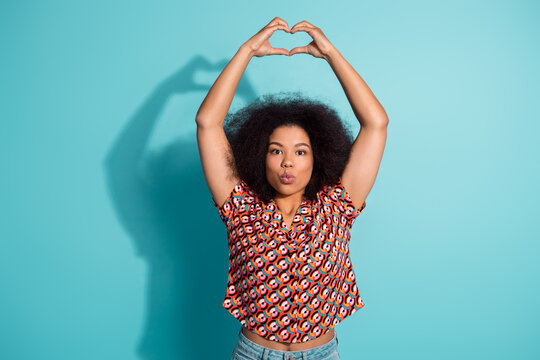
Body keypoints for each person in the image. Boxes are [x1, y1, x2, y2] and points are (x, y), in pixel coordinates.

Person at [196, 17, 388, 360]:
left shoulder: (337, 205)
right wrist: (246, 52)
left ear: (318, 158)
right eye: (276, 150)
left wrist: (330, 53)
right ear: (260, 156)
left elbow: (376, 123)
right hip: (254, 353)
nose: (288, 162)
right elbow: (208, 123)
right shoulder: (241, 207)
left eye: (300, 151)